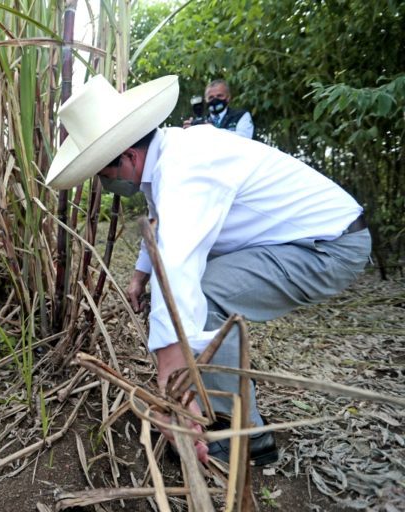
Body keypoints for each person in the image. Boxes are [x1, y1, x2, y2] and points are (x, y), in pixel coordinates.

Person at [46, 75, 370, 465]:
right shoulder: (168, 157)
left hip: (327, 247)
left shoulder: (186, 166)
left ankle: (237, 432)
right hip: (299, 241)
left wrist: (171, 370)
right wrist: (139, 276)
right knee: (194, 296)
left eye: (103, 175)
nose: (105, 184)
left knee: (207, 291)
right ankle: (220, 407)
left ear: (128, 157)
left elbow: (179, 263)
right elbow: (161, 225)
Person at [183, 79, 254, 139]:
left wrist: (211, 130)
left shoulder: (241, 116)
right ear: (205, 100)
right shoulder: (201, 122)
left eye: (219, 96)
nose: (215, 100)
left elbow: (244, 139)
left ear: (228, 97)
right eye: (211, 97)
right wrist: (189, 132)